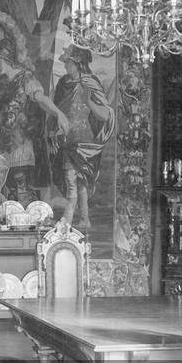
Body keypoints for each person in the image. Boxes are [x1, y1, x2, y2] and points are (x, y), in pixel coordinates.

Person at [0, 36, 69, 202]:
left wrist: (58, 113)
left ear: (8, 59)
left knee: (22, 186)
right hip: (3, 142)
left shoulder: (27, 79)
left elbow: (41, 99)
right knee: (2, 186)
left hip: (22, 142)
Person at [50, 45, 114, 229]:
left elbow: (105, 114)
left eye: (68, 63)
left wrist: (88, 102)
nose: (65, 67)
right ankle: (84, 218)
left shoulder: (90, 82)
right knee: (74, 179)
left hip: (85, 139)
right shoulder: (63, 83)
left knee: (78, 177)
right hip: (66, 138)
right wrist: (53, 132)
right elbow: (57, 111)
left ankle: (69, 218)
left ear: (78, 64)